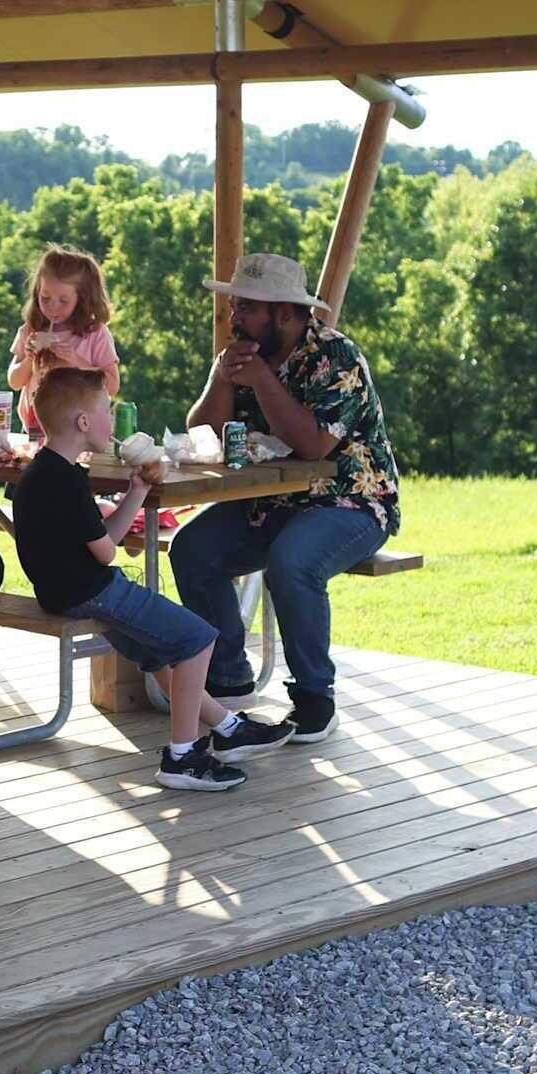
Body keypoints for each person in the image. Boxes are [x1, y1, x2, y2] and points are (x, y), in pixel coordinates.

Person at [7, 366, 279, 789]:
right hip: (92, 591)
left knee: (155, 653)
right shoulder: (68, 481)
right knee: (198, 639)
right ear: (83, 422)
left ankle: (227, 728)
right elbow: (108, 551)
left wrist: (135, 492)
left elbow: (100, 540)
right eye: (106, 412)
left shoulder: (40, 473)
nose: (111, 423)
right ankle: (183, 756)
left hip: (63, 591)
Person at [172, 251, 399, 745]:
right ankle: (228, 679)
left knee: (291, 561)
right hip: (271, 501)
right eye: (235, 306)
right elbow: (203, 434)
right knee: (190, 548)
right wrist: (220, 379)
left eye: (246, 308)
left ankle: (315, 698)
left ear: (285, 313)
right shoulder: (242, 354)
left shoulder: (336, 357)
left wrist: (263, 383)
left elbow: (314, 445)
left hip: (351, 500)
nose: (234, 317)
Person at [8, 245, 120, 429]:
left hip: (80, 434)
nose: (52, 306)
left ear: (82, 299)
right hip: (36, 431)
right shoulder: (30, 330)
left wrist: (77, 361)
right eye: (45, 297)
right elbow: (14, 382)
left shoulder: (96, 334)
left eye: (63, 301)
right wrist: (29, 359)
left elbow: (113, 386)